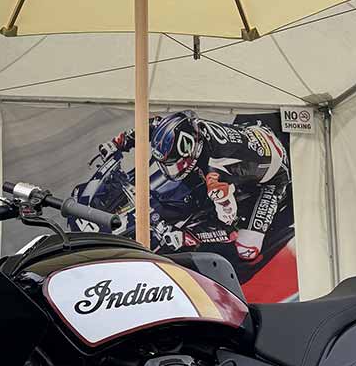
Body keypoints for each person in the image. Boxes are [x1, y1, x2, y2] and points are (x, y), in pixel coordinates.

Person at [106, 111, 290, 263]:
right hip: (255, 133)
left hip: (273, 177)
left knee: (247, 248)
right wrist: (119, 141)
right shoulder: (186, 126)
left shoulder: (214, 174)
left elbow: (228, 227)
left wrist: (186, 237)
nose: (171, 171)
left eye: (175, 164)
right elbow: (155, 125)